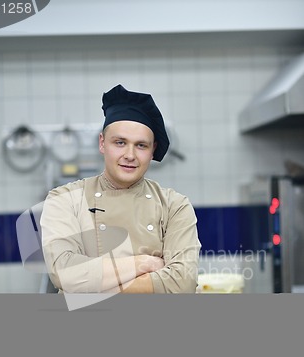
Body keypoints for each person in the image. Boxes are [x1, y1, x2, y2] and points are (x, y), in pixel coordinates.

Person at [40, 84, 201, 294]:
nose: (130, 155)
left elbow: (182, 283)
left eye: (141, 145)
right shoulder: (64, 199)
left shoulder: (174, 205)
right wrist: (145, 263)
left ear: (152, 151)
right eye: (120, 142)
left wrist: (91, 285)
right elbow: (65, 274)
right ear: (102, 143)